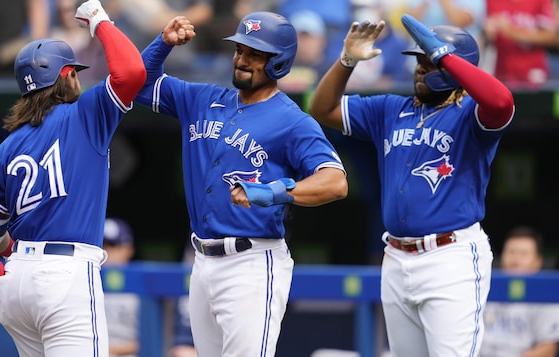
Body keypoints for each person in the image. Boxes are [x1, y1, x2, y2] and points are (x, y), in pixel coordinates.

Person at [134, 11, 348, 356]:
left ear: (278, 62)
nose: (242, 60)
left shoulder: (292, 121)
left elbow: (336, 182)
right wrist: (163, 44)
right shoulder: (202, 99)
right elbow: (137, 83)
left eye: (255, 54)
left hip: (251, 263)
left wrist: (273, 192)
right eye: (240, 50)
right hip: (202, 261)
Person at [309, 14, 515, 357]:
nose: (420, 69)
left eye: (428, 62)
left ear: (456, 67)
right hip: (397, 258)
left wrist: (444, 56)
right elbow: (321, 108)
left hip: (450, 258)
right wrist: (346, 61)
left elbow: (502, 103)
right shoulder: (392, 108)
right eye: (418, 61)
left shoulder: (470, 115)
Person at [0, 0, 146, 355]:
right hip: (65, 274)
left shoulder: (8, 146)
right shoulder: (84, 114)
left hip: (16, 283)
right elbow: (132, 73)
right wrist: (99, 20)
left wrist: (21, 251)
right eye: (74, 72)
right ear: (66, 76)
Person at [479, 226, 559, 357]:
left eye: (523, 254)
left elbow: (548, 348)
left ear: (538, 261)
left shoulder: (546, 295)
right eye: (511, 252)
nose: (515, 260)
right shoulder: (482, 288)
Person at [484, 0, 558, 89]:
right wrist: (489, 33)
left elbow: (552, 37)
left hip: (533, 71)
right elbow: (489, 38)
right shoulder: (493, 2)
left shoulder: (540, 1)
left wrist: (511, 32)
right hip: (503, 70)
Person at [103, 217, 140, 357]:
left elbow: (153, 337)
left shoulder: (142, 284)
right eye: (102, 245)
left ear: (129, 249)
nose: (105, 252)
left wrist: (111, 351)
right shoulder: (84, 282)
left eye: (113, 246)